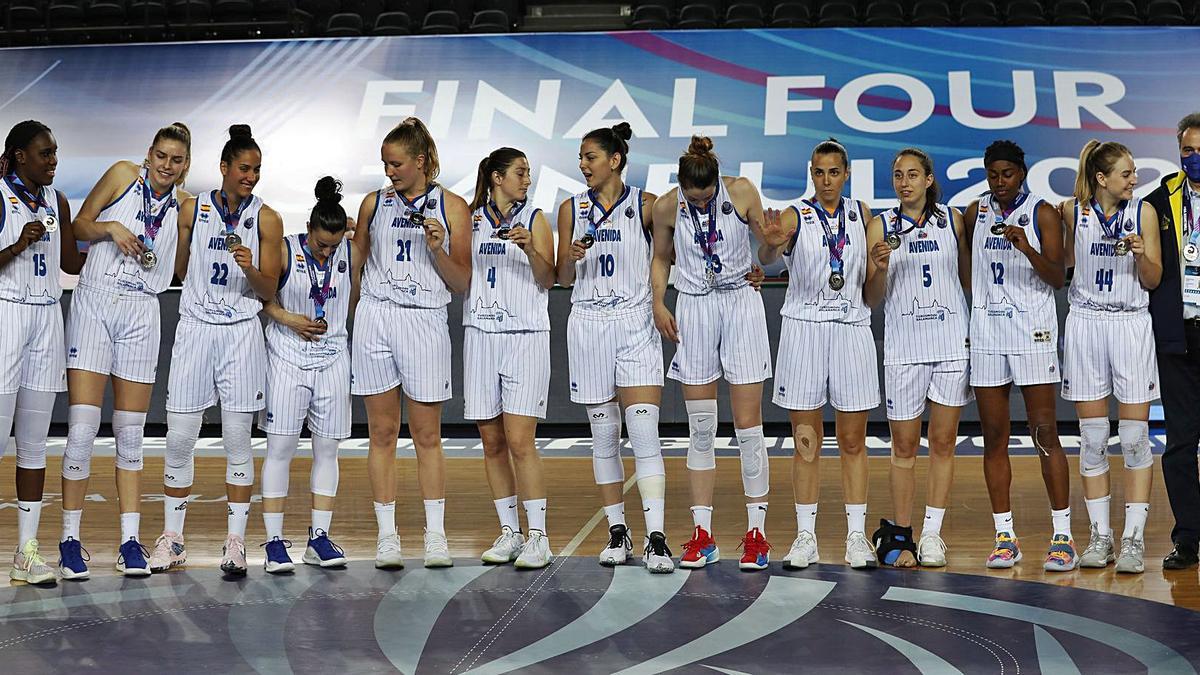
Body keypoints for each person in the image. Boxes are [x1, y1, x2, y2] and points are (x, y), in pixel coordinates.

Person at [60, 122, 192, 578]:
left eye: (176, 160)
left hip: (142, 308)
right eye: (161, 155)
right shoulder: (122, 174)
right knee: (80, 428)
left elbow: (178, 267)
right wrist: (111, 228)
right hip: (95, 300)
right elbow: (77, 226)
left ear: (185, 164)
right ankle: (69, 540)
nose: (166, 165)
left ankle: (130, 541)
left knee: (132, 435)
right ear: (149, 152)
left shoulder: (185, 206)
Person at [151, 124, 284, 576]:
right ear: (224, 168)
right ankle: (173, 539)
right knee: (180, 438)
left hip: (242, 333)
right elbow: (180, 267)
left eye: (257, 170)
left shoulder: (267, 218)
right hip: (195, 329)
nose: (251, 176)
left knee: (236, 441)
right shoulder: (193, 207)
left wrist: (251, 268)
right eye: (244, 168)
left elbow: (269, 290)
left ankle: (236, 543)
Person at [350, 117, 470, 569]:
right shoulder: (372, 204)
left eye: (396, 163)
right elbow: (356, 265)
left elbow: (461, 282)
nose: (389, 171)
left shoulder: (453, 206)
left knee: (426, 435)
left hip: (423, 321)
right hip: (375, 319)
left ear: (420, 161)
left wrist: (438, 248)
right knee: (380, 433)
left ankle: (435, 536)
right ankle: (387, 537)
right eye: (384, 164)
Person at [555, 123, 673, 573]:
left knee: (643, 432)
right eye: (581, 158)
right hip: (587, 323)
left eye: (590, 157)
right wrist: (571, 255)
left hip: (634, 321)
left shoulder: (647, 205)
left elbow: (667, 257)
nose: (583, 165)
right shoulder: (571, 207)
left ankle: (657, 538)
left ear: (615, 160)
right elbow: (563, 277)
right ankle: (617, 532)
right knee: (604, 435)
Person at [651, 136, 773, 571]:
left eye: (707, 199)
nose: (701, 206)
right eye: (693, 199)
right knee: (701, 427)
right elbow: (661, 258)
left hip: (740, 300)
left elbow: (767, 248)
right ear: (681, 186)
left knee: (748, 428)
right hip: (696, 306)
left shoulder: (740, 191)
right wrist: (658, 302)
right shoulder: (667, 206)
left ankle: (757, 535)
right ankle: (702, 534)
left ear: (717, 183)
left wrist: (772, 249)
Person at [759, 138, 880, 570]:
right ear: (811, 175)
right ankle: (805, 535)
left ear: (845, 174)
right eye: (818, 172)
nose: (826, 179)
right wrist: (772, 245)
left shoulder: (862, 214)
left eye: (833, 171)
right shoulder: (796, 214)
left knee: (853, 441)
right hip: (804, 329)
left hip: (851, 328)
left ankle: (855, 536)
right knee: (806, 442)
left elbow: (871, 279)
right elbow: (768, 255)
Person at [964, 140, 1073, 571]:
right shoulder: (975, 212)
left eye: (1007, 173)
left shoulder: (1043, 212)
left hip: (1033, 331)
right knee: (994, 435)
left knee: (1045, 431)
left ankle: (1062, 535)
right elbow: (965, 269)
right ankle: (1004, 536)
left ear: (1021, 173)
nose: (999, 181)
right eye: (993, 174)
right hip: (989, 332)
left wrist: (1026, 247)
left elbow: (1057, 277)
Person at [862, 148, 971, 568]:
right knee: (904, 445)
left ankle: (932, 535)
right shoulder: (880, 225)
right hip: (904, 347)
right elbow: (872, 298)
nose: (904, 182)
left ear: (928, 179)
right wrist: (879, 268)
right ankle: (902, 534)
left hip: (948, 344)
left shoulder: (953, 221)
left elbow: (965, 280)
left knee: (943, 442)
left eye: (912, 175)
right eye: (897, 176)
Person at [1060, 140, 1160, 575]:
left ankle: (1133, 538)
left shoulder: (1145, 213)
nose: (1134, 180)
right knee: (1094, 437)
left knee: (1136, 437)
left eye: (1134, 172)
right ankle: (1100, 537)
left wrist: (1141, 257)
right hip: (1085, 322)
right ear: (1102, 178)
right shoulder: (1070, 211)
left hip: (1131, 322)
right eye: (1126, 173)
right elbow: (1062, 261)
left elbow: (1154, 280)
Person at [258, 176, 357, 573]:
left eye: (333, 245)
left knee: (327, 451)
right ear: (309, 229)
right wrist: (288, 318)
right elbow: (261, 296)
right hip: (287, 355)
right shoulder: (284, 250)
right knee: (280, 449)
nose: (327, 251)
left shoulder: (350, 249)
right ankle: (273, 543)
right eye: (321, 244)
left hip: (333, 357)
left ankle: (319, 538)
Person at [0, 120, 84, 585]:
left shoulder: (58, 200)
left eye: (55, 153)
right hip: (6, 313)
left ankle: (26, 553)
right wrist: (17, 244)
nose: (53, 161)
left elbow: (70, 261)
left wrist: (116, 246)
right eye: (44, 153)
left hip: (47, 316)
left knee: (33, 446)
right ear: (17, 157)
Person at [467, 147, 556, 570]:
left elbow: (549, 278)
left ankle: (539, 536)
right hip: (481, 334)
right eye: (520, 173)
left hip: (524, 335)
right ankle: (509, 532)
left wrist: (530, 251)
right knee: (491, 440)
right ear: (497, 177)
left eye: (528, 172)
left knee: (521, 440)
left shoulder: (536, 217)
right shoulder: (469, 218)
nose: (527, 180)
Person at [1147, 112, 1200, 570]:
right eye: (1187, 150)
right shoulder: (1159, 201)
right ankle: (1188, 538)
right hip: (1179, 337)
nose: (1194, 158)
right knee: (1181, 443)